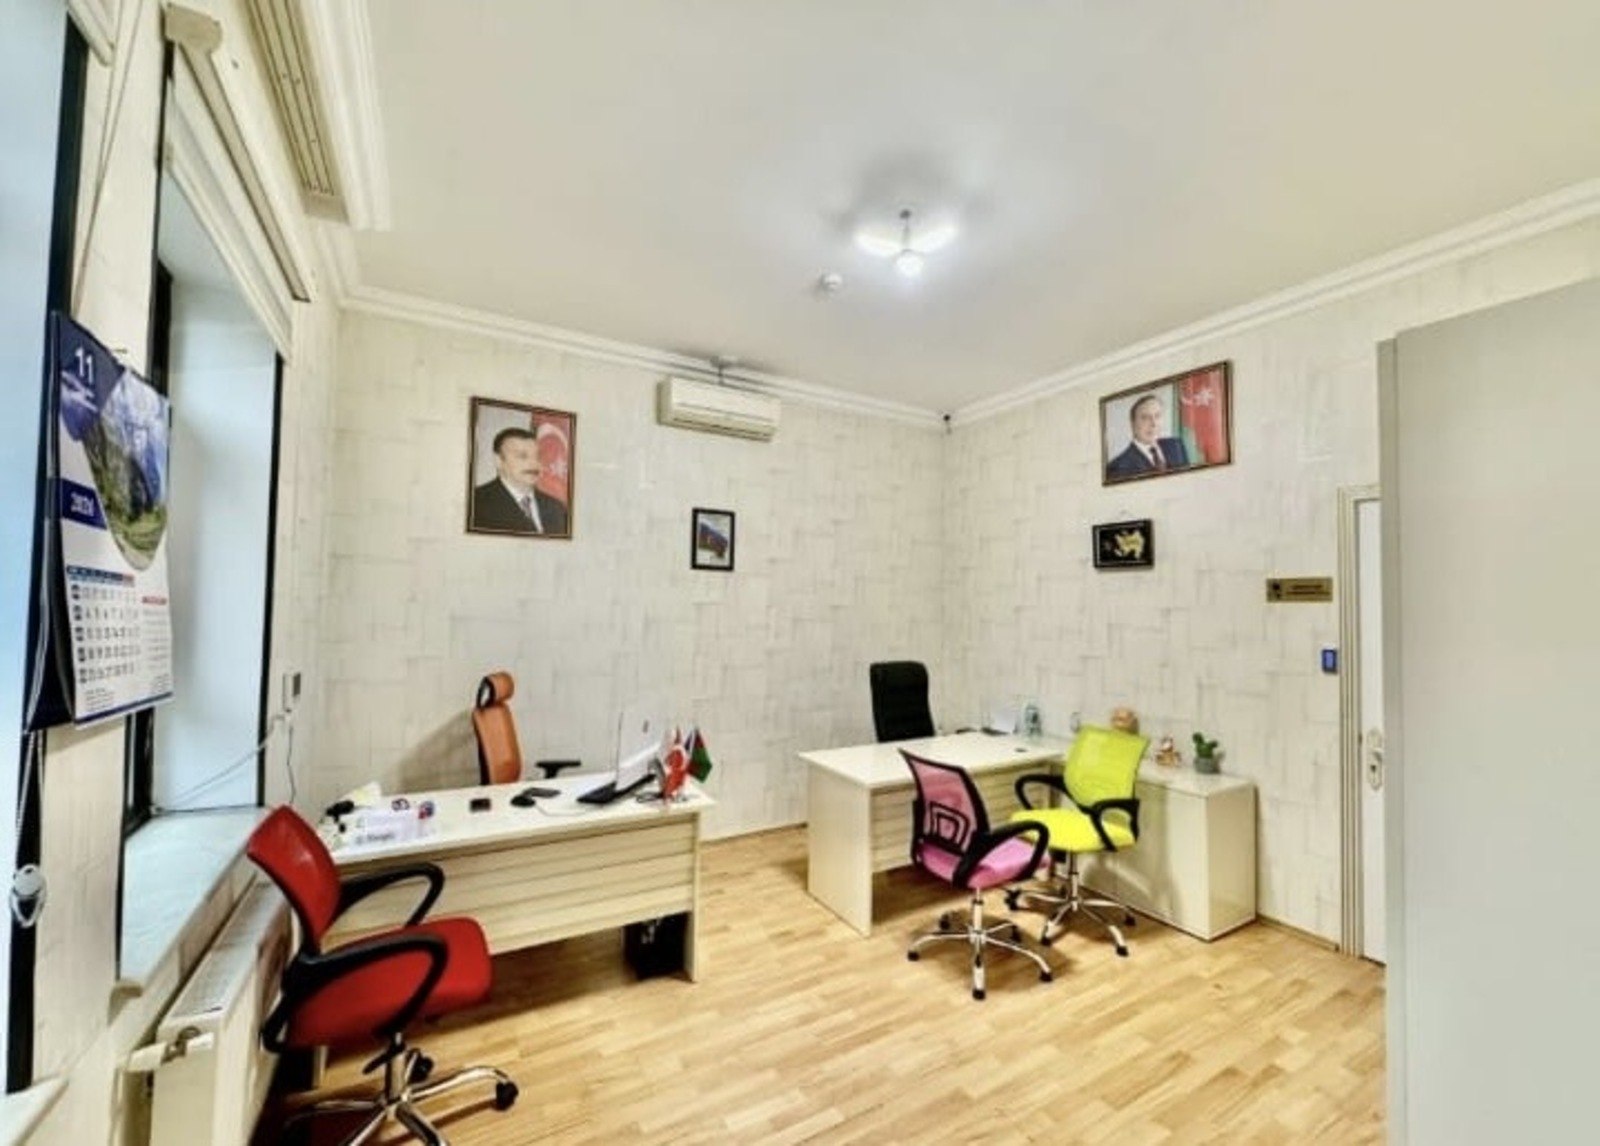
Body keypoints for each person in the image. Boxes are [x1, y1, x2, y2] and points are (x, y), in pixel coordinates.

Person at [471, 426, 569, 535]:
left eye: (538, 457)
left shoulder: (556, 507)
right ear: (498, 461)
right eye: (523, 456)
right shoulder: (475, 504)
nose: (534, 464)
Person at [1106, 392, 1190, 479]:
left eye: (1157, 416)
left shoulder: (1176, 446)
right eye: (1145, 418)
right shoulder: (1117, 467)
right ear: (1132, 423)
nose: (1154, 423)